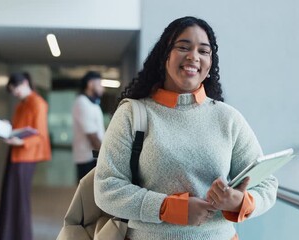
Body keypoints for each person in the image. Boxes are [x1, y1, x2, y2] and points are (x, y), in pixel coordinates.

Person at [93, 16, 278, 240]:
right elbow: (106, 188)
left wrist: (240, 202)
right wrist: (170, 208)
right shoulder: (132, 114)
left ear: (210, 64)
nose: (193, 56)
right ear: (164, 56)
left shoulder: (228, 118)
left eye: (204, 51)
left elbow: (267, 184)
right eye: (183, 47)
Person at [0, 72, 52, 240]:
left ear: (25, 83)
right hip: (15, 153)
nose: (15, 93)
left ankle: (21, 235)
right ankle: (7, 234)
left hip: (26, 156)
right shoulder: (21, 105)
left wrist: (22, 143)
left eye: (16, 89)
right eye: (13, 91)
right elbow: (20, 127)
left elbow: (40, 135)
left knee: (19, 198)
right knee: (9, 196)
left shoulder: (38, 103)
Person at [72, 71, 105, 181]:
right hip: (87, 158)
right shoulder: (82, 102)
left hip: (93, 157)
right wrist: (105, 157)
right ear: (90, 84)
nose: (102, 88)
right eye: (100, 84)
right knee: (87, 196)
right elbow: (92, 136)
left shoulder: (93, 103)